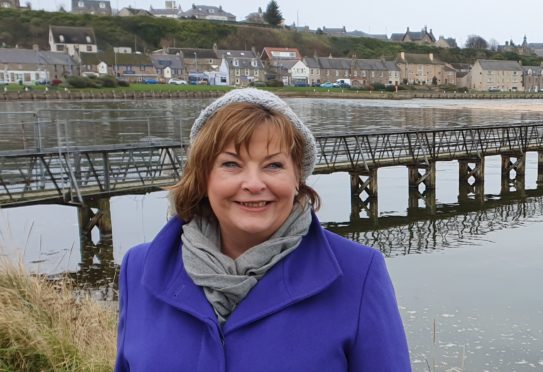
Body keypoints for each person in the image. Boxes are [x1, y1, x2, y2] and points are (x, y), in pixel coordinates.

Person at [115, 88, 411, 371]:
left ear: (298, 178)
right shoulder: (139, 270)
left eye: (273, 166)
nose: (254, 184)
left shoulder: (358, 274)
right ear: (204, 177)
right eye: (231, 164)